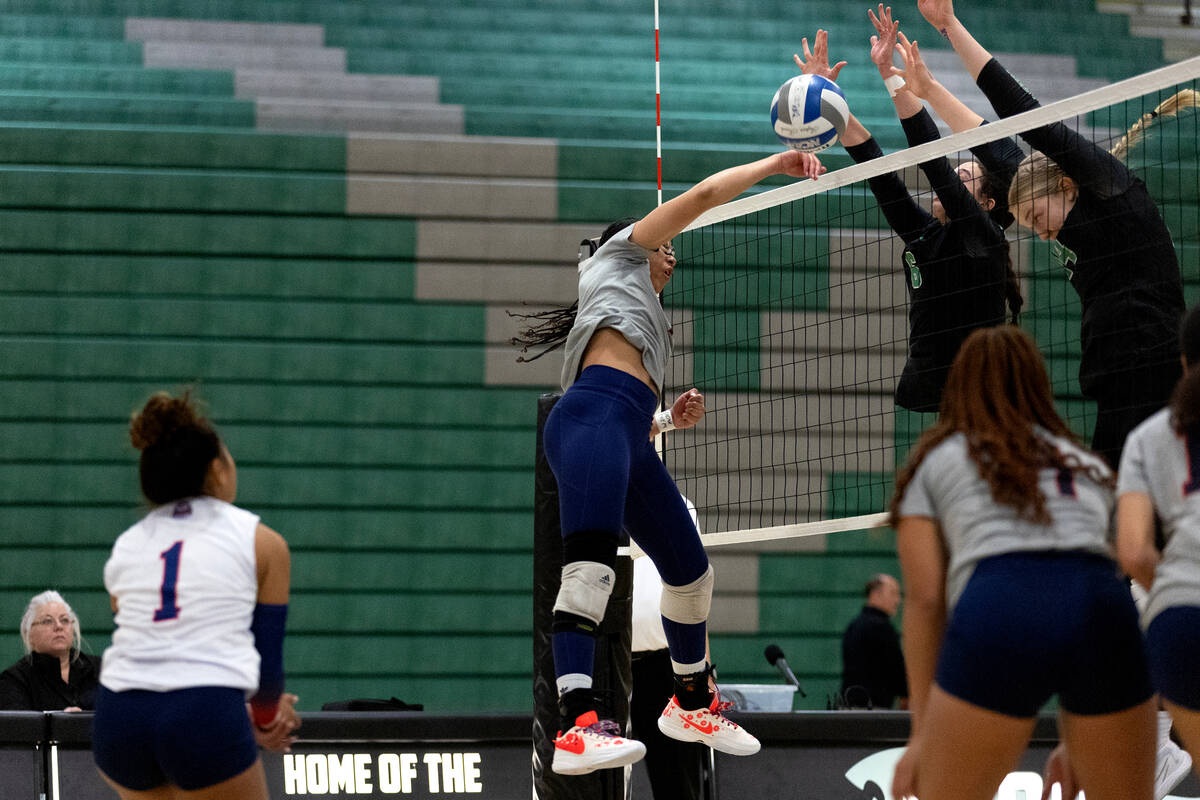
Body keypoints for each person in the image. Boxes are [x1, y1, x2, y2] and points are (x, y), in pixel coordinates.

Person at [513, 148, 825, 775]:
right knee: (590, 575)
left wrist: (663, 421)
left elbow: (625, 398)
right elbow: (707, 195)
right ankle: (576, 727)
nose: (671, 252)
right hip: (591, 418)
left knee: (691, 572)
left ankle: (690, 702)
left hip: (622, 429)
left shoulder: (648, 314)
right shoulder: (615, 254)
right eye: (665, 245)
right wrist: (781, 161)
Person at [912, 0, 1194, 468]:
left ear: (1065, 185)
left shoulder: (1111, 191)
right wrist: (929, 89)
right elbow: (990, 141)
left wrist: (951, 27)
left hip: (1153, 369)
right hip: (1114, 376)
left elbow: (1023, 113)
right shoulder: (1044, 188)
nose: (1041, 235)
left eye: (1038, 219)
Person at [889, 325, 1155, 800]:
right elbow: (1106, 569)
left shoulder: (935, 458)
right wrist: (1081, 742)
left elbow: (926, 601)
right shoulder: (1085, 464)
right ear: (1038, 384)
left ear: (958, 387)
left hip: (1002, 598)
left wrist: (923, 734)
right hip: (1102, 603)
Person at [793, 14, 1023, 413]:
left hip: (979, 397)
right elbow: (876, 168)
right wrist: (823, 98)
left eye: (965, 176)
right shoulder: (927, 234)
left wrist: (892, 77)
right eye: (957, 171)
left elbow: (931, 156)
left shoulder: (984, 237)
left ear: (987, 204)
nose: (954, 175)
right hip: (926, 392)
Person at [92, 391, 300, 800]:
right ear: (216, 470)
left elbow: (130, 615)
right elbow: (267, 661)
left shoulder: (128, 544)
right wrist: (268, 718)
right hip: (202, 713)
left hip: (119, 717)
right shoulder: (262, 542)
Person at [1117, 302, 1200, 798]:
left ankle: (1159, 749)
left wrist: (1169, 593)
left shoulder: (1148, 437)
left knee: (1129, 605)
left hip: (1182, 619)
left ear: (1184, 362)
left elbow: (1133, 552)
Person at [630, 498, 707, 800]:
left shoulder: (681, 505)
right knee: (603, 773)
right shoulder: (595, 489)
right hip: (610, 662)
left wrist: (703, 671)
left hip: (666, 665)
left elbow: (695, 594)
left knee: (675, 777)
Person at [0, 590, 100, 711]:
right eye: (47, 621)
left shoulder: (100, 669)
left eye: (64, 620)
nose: (59, 626)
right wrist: (62, 723)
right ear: (30, 633)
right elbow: (18, 727)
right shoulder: (15, 680)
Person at [839, 574, 908, 709]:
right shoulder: (882, 627)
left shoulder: (853, 625)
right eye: (893, 593)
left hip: (848, 706)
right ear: (875, 594)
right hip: (874, 710)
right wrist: (905, 694)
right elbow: (896, 668)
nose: (898, 600)